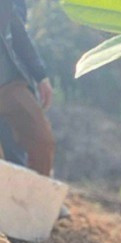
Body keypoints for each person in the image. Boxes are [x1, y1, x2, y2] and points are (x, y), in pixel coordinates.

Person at [0, 0, 55, 176]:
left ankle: (37, 191)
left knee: (42, 140)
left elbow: (19, 35)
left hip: (9, 83)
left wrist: (41, 76)